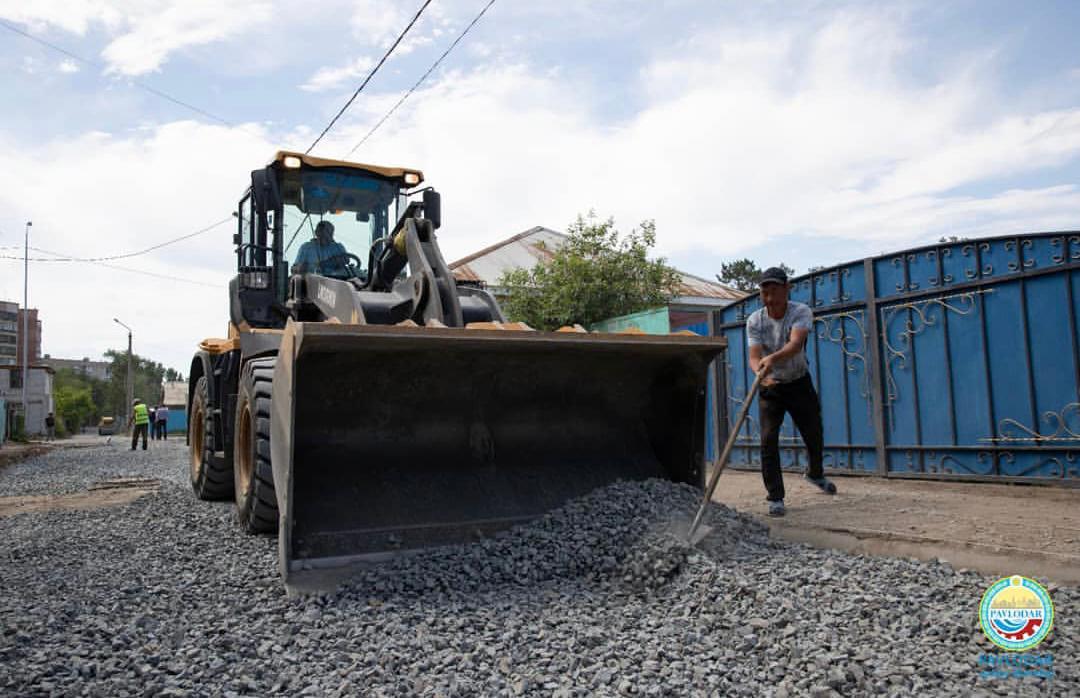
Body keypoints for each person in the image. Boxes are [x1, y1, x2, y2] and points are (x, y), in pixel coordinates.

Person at [746, 266, 837, 517]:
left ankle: (815, 474)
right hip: (771, 387)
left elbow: (796, 345)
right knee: (767, 440)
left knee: (813, 433)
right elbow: (754, 357)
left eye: (775, 291)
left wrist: (771, 359)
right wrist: (760, 375)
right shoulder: (755, 320)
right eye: (765, 292)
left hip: (798, 381)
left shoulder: (800, 312)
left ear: (787, 289)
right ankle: (775, 497)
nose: (770, 298)